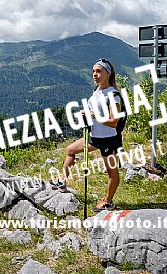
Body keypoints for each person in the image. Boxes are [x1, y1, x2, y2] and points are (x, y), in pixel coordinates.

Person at [50, 58, 124, 211]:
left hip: (109, 140)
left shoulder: (113, 95)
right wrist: (86, 115)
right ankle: (62, 181)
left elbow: (114, 122)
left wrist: (94, 115)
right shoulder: (96, 92)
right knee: (70, 150)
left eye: (99, 71)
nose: (95, 75)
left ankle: (108, 201)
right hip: (95, 136)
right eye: (93, 72)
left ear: (108, 74)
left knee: (111, 172)